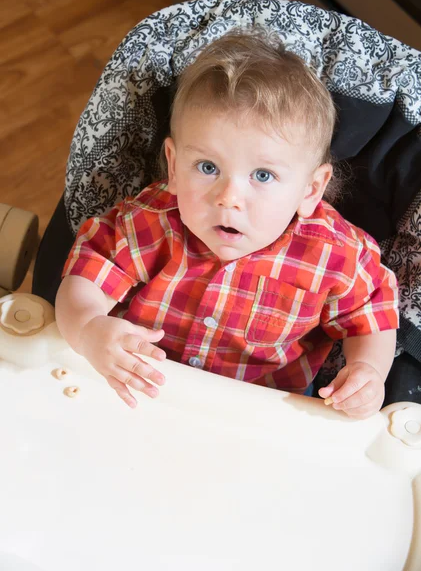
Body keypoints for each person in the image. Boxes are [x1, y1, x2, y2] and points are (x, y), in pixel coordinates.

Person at [55, 30, 399, 419]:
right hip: (139, 390)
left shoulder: (334, 255)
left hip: (258, 417)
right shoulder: (147, 222)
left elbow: (372, 315)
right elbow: (85, 277)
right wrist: (88, 329)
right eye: (208, 167)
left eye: (263, 175)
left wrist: (367, 371)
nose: (229, 197)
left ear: (310, 189)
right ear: (173, 164)